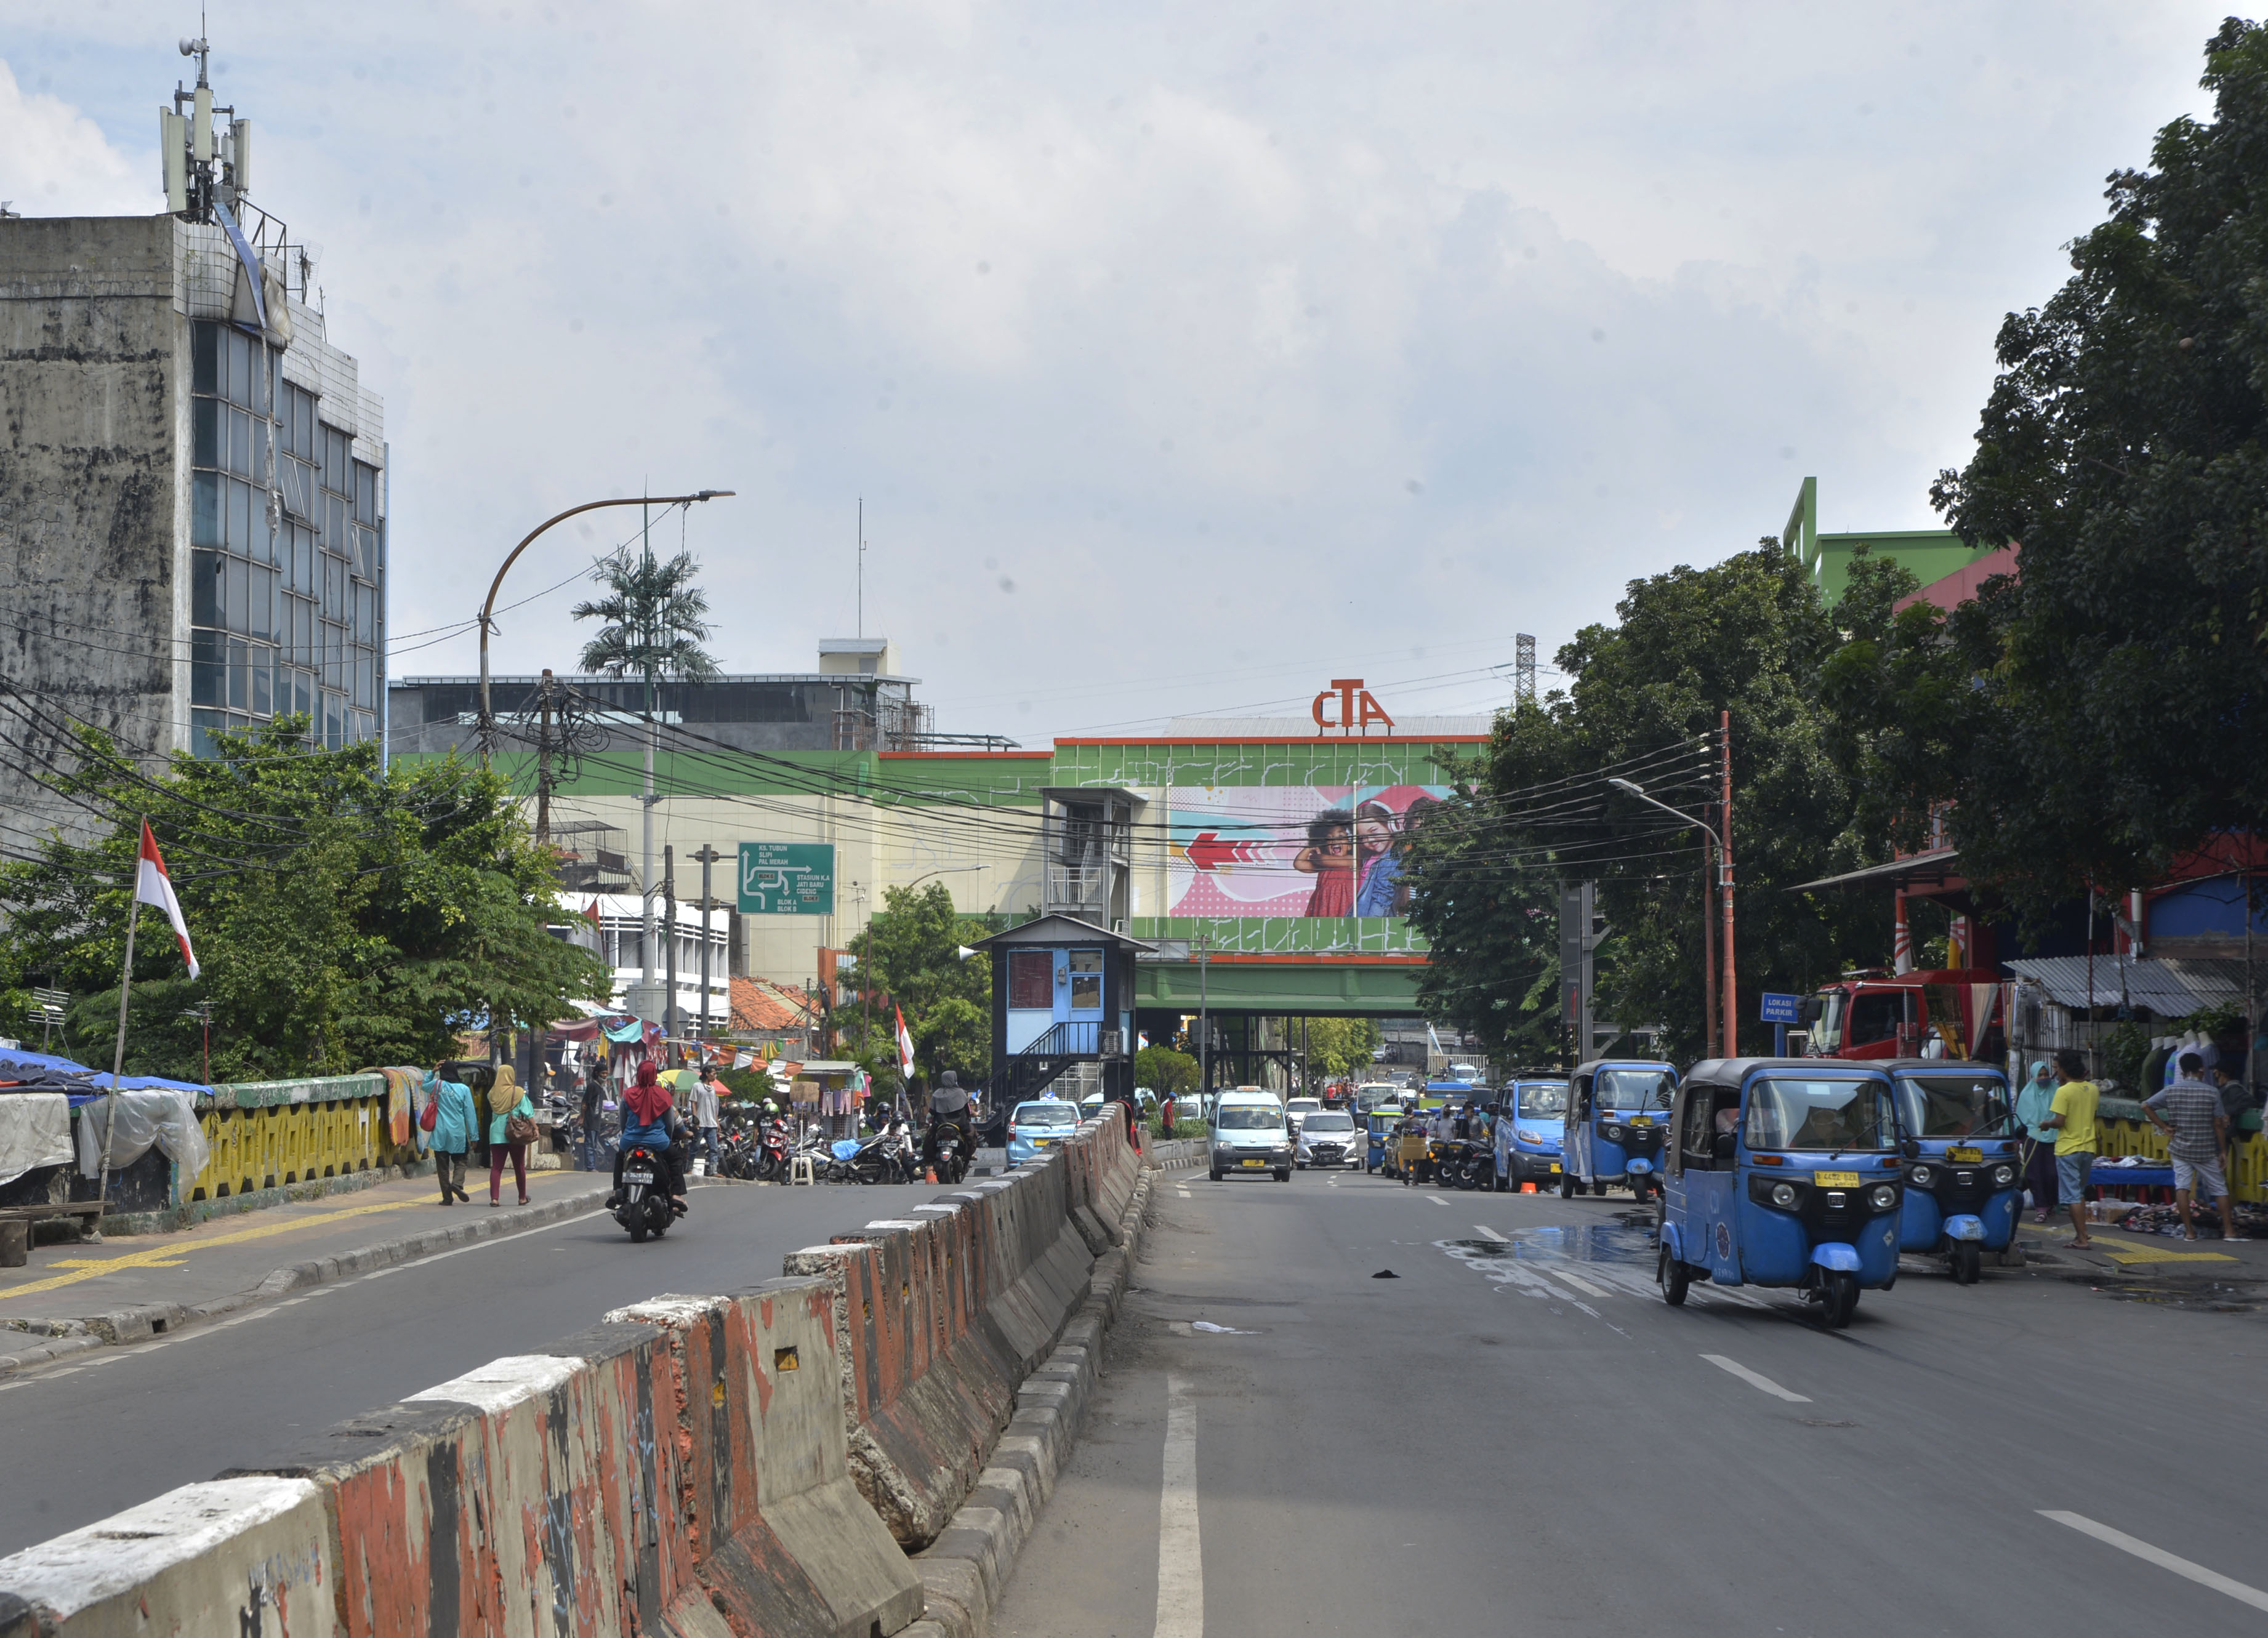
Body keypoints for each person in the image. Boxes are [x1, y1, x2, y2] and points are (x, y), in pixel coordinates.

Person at [2145, 1051, 2244, 1242]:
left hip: (2180, 1149)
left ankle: (2190, 1232)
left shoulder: (2171, 1090)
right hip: (2206, 1149)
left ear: (2183, 1071)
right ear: (2201, 1070)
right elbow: (2218, 1124)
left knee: (2182, 1187)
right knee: (2219, 1188)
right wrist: (2223, 1151)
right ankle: (2229, 1231)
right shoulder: (2212, 1092)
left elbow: (2146, 1106)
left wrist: (2164, 1127)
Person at [2039, 1051, 2100, 1249]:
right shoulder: (2093, 1089)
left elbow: (2060, 1121)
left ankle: (2082, 1238)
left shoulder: (2063, 1092)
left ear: (2064, 1070)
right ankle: (2082, 1233)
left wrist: (2046, 1124)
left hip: (2068, 1148)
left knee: (2073, 1196)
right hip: (2088, 1147)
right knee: (2079, 1193)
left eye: (2058, 1069)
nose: (2057, 1073)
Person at [612, 1060, 689, 1214]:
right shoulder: (664, 1096)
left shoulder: (628, 1094)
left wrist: (629, 1136)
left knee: (620, 1158)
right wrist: (666, 1139)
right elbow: (670, 1124)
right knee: (675, 1159)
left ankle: (617, 1191)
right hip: (658, 1142)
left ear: (638, 1074)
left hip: (629, 1142)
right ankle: (676, 1194)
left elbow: (623, 1122)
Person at [2013, 1060, 2061, 1224]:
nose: (2044, 1078)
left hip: (2054, 1136)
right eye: (2040, 1075)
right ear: (2033, 1076)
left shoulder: (2057, 1091)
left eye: (2046, 1074)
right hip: (2032, 1136)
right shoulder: (2026, 1094)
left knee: (2053, 1174)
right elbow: (2020, 1119)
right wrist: (2018, 1141)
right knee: (2034, 1174)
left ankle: (2051, 1203)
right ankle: (2041, 1208)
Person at [425, 1067, 476, 1205]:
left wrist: (432, 1071)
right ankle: (457, 1184)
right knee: (461, 1161)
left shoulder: (437, 1086)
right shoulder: (464, 1089)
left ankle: (447, 1198)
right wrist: (474, 1136)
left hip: (440, 1133)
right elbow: (470, 1114)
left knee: (442, 1168)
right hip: (457, 1134)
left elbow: (424, 1085)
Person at [487, 1077, 536, 1207]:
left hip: (497, 1134)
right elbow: (528, 1113)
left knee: (497, 1167)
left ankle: (495, 1199)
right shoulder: (518, 1093)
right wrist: (535, 1128)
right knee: (519, 1167)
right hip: (516, 1134)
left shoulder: (492, 1093)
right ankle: (522, 1198)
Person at [925, 1069, 975, 1173]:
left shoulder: (937, 1094)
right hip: (960, 1125)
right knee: (971, 1134)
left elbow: (932, 1111)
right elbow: (968, 1111)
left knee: (929, 1138)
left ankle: (929, 1160)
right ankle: (968, 1156)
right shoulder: (960, 1093)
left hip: (940, 1124)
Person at [579, 1058, 608, 1174]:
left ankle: (592, 1165)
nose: (605, 1076)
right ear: (597, 1073)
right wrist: (582, 1118)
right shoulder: (592, 1086)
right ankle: (590, 1166)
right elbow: (585, 1103)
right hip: (590, 1120)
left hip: (596, 1120)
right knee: (590, 1144)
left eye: (606, 1073)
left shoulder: (600, 1087)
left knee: (594, 1144)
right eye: (603, 1073)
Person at [693, 1070, 722, 1173]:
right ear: (707, 1074)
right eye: (714, 1074)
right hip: (701, 1123)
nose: (715, 1076)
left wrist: (717, 1122)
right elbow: (693, 1103)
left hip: (712, 1124)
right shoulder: (697, 1086)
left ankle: (713, 1171)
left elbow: (715, 1108)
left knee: (714, 1148)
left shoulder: (713, 1089)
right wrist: (695, 1120)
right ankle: (689, 1168)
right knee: (695, 1147)